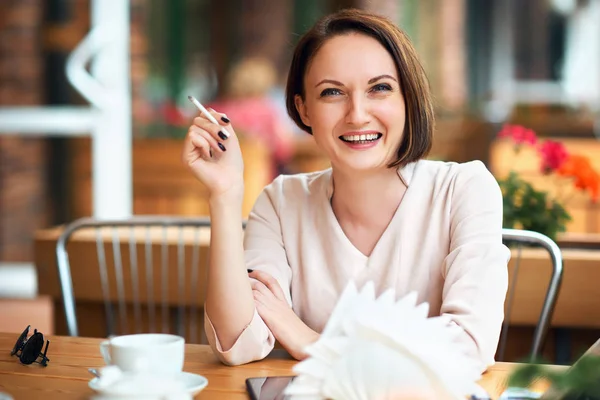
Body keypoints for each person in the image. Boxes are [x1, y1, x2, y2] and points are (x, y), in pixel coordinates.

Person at [182, 8, 510, 373]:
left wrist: (315, 343)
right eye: (332, 92)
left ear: (408, 98)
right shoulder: (280, 203)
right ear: (303, 109)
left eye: (380, 88)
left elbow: (468, 344)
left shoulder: (463, 190)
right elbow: (239, 342)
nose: (357, 114)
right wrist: (226, 195)